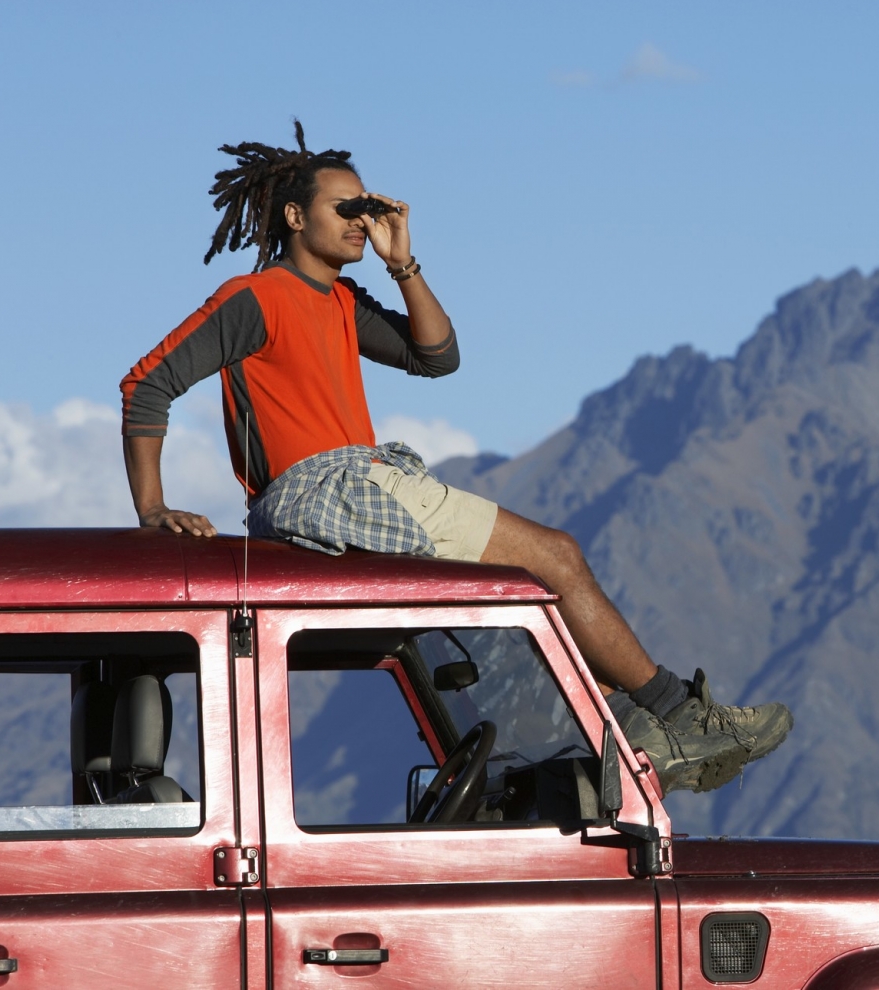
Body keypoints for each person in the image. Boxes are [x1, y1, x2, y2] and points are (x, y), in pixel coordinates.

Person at [120, 122, 791, 794]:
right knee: (555, 557)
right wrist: (153, 509)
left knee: (523, 602)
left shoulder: (342, 302)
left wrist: (401, 262)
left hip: (365, 480)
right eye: (345, 209)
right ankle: (681, 715)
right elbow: (148, 383)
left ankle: (632, 731)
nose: (362, 220)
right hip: (327, 487)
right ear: (295, 216)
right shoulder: (257, 297)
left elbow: (435, 356)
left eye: (368, 208)